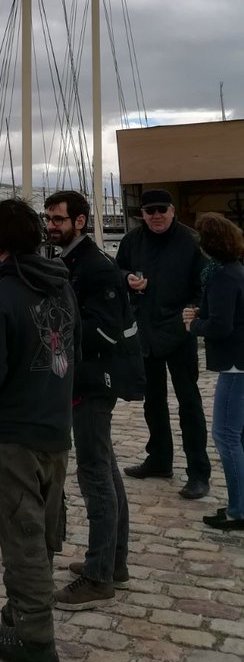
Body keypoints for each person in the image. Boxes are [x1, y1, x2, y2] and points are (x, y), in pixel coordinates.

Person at [0, 197, 80, 662]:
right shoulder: (63, 289)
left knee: (24, 537)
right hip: (55, 426)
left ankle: (35, 639)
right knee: (43, 531)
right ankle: (21, 612)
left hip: (15, 433)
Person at [44, 190, 144, 609]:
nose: (51, 225)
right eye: (47, 218)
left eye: (58, 219)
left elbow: (101, 330)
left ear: (80, 221)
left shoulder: (96, 267)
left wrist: (54, 322)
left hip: (94, 381)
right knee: (104, 469)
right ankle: (112, 561)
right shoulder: (71, 261)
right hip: (86, 379)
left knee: (94, 474)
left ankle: (99, 575)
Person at [117, 189, 211, 499]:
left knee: (190, 404)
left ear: (172, 211)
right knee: (152, 401)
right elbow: (117, 271)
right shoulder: (132, 241)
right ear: (141, 214)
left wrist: (195, 311)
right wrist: (128, 277)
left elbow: (206, 284)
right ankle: (159, 459)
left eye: (161, 209)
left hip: (180, 332)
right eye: (149, 210)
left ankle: (198, 472)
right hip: (146, 330)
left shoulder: (192, 242)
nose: (156, 215)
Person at [184, 213, 244, 531]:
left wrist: (194, 324)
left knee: (226, 436)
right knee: (239, 436)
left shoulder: (221, 275)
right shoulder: (233, 271)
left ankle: (238, 511)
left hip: (236, 366)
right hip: (239, 362)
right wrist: (202, 313)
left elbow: (221, 327)